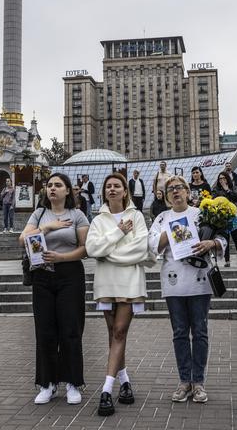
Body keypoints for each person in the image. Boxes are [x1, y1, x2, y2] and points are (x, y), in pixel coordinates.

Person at [148, 176, 227, 404]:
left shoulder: (202, 213)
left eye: (179, 188)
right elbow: (152, 246)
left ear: (188, 192)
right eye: (170, 189)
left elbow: (222, 237)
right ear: (165, 195)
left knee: (200, 332)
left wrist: (212, 244)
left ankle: (199, 382)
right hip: (174, 282)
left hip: (199, 281)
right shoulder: (162, 217)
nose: (175, 192)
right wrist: (170, 232)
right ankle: (184, 381)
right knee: (180, 332)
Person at [85, 173, 153, 416]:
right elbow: (92, 249)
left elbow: (140, 249)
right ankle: (124, 382)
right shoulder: (98, 220)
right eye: (108, 186)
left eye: (117, 186)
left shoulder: (136, 216)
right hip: (106, 283)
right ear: (104, 192)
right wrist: (119, 234)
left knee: (119, 331)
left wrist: (109, 252)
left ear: (126, 191)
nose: (112, 189)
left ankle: (106, 390)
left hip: (130, 282)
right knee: (113, 334)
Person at [19, 173, 89, 405]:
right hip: (42, 277)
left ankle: (72, 383)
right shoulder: (39, 214)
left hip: (70, 275)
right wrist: (47, 228)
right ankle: (47, 384)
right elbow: (23, 238)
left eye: (58, 185)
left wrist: (61, 257)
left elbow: (84, 249)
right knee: (45, 331)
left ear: (68, 191)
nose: (53, 189)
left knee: (70, 329)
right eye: (49, 185)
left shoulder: (77, 215)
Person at [213, 172, 237, 266]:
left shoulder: (233, 187)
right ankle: (227, 260)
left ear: (227, 179)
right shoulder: (216, 190)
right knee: (225, 239)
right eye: (220, 179)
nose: (222, 180)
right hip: (223, 218)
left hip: (234, 217)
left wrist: (227, 190)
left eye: (224, 178)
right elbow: (214, 200)